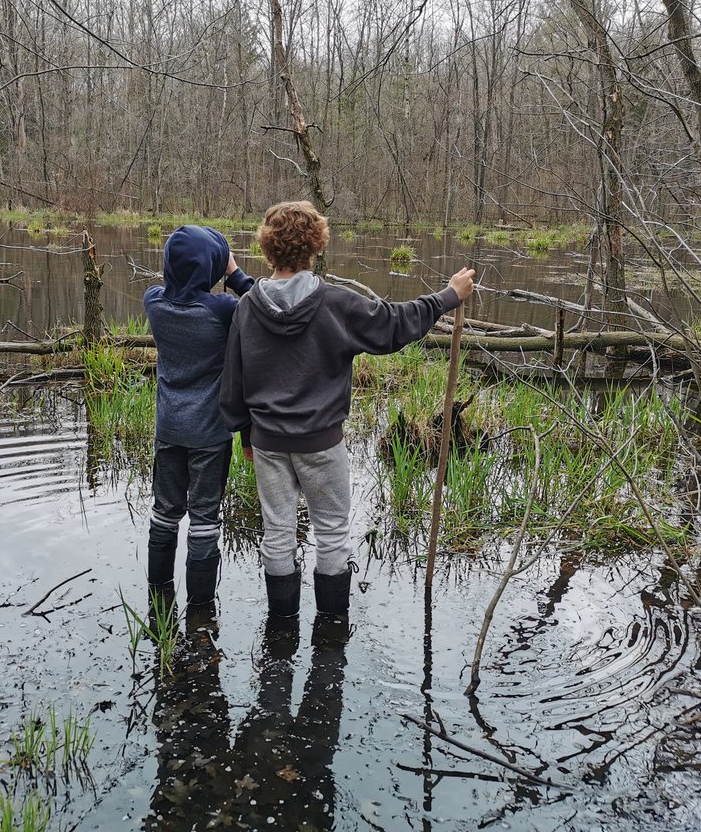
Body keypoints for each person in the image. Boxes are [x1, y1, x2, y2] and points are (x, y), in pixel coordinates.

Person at [220, 201, 474, 619]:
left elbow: (233, 383)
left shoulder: (248, 307)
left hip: (266, 442)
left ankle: (281, 628)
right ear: (316, 246)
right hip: (322, 442)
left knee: (278, 533)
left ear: (267, 250)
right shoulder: (336, 303)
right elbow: (394, 325)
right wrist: (448, 297)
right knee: (333, 534)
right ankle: (331, 632)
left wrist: (245, 435)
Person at [144, 225, 254, 607]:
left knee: (164, 513)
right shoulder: (223, 310)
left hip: (169, 428)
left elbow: (169, 285)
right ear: (211, 268)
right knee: (204, 520)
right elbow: (263, 303)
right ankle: (201, 610)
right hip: (210, 434)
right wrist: (234, 273)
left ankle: (157, 597)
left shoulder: (153, 303)